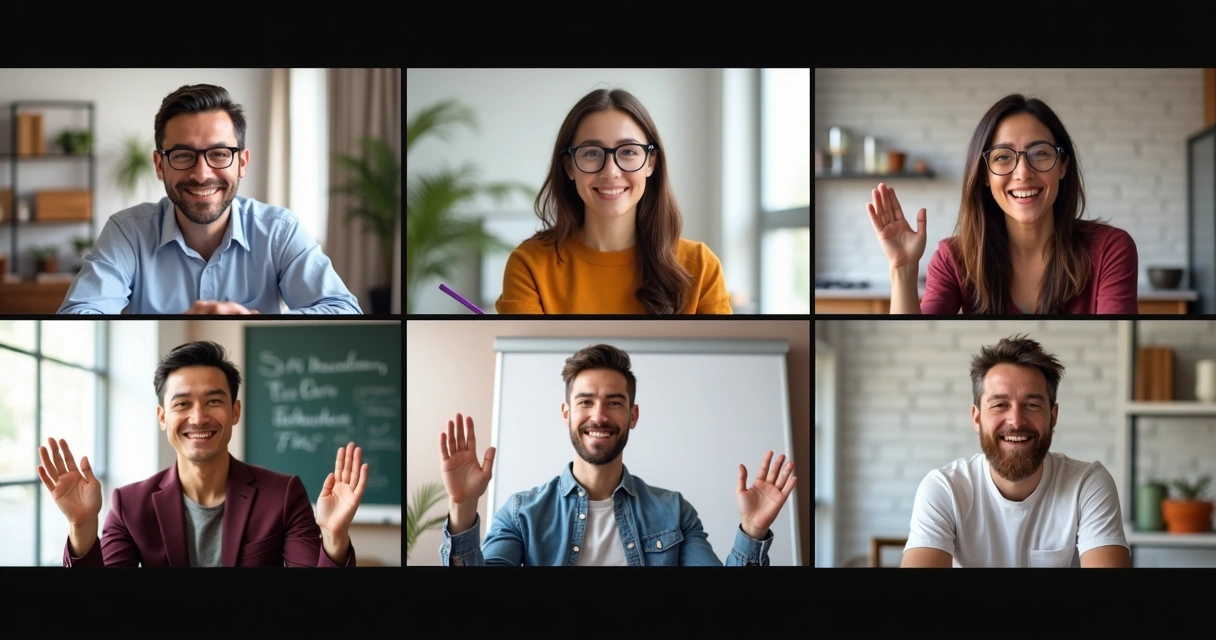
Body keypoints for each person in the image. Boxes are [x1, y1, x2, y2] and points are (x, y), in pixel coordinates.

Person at [438, 344, 796, 565]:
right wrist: (462, 508)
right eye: (585, 402)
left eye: (614, 403)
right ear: (566, 414)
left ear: (632, 415)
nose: (599, 416)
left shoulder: (674, 512)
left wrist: (753, 530)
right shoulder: (521, 514)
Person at [36, 341, 369, 567]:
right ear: (162, 418)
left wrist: (334, 536)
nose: (198, 418)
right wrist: (82, 526)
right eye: (182, 404)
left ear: (235, 411)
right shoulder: (129, 505)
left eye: (213, 401)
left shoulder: (282, 495)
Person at [57, 84, 362, 315]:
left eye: (218, 154)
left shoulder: (279, 230)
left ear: (242, 162)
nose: (202, 174)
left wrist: (253, 320)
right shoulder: (127, 232)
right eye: (182, 155)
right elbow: (80, 312)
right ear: (160, 165)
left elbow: (343, 309)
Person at [866, 93, 1138, 314]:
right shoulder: (953, 258)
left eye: (1039, 153)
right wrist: (902, 267)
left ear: (1063, 166)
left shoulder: (1109, 249)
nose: (1023, 172)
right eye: (1003, 157)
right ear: (985, 174)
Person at [495, 88, 732, 315]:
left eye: (628, 152)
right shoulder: (529, 264)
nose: (610, 172)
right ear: (569, 166)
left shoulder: (701, 266)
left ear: (651, 163)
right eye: (591, 152)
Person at [901, 334, 1130, 568]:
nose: (1016, 421)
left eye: (1032, 405)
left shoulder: (1087, 484)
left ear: (1053, 416)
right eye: (1000, 405)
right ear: (977, 418)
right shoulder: (945, 488)